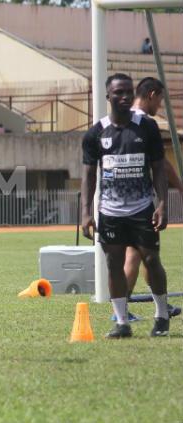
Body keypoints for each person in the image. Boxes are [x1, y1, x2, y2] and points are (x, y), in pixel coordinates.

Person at [81, 73, 170, 339]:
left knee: (152, 260)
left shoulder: (147, 127)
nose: (124, 97)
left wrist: (162, 203)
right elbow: (88, 175)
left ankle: (162, 315)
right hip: (110, 212)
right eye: (118, 93)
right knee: (113, 264)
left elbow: (158, 168)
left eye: (128, 92)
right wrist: (86, 212)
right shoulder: (96, 132)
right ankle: (122, 323)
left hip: (142, 208)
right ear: (108, 96)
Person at [111, 77, 182, 322]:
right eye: (160, 100)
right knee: (137, 253)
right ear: (151, 94)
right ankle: (120, 311)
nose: (159, 106)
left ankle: (158, 305)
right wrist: (180, 187)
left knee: (146, 256)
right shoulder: (144, 123)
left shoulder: (119, 119)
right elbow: (160, 163)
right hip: (138, 200)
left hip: (118, 198)